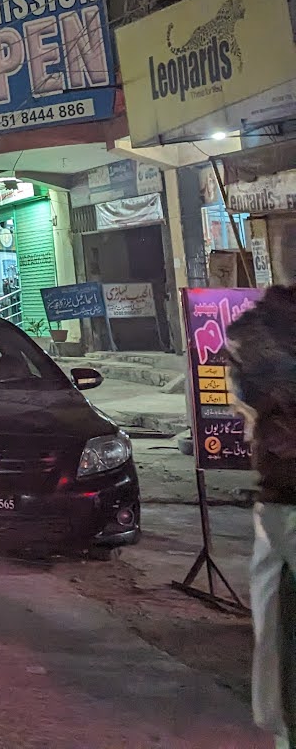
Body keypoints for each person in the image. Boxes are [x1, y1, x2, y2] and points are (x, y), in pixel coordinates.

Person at [224, 285, 296, 744]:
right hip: (284, 499)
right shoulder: (266, 332)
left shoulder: (257, 330)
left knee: (273, 635)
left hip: (279, 500)